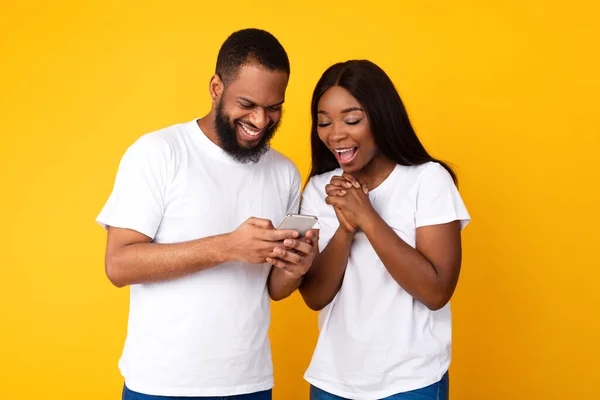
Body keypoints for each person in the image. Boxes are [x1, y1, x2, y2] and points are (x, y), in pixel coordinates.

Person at [96, 28, 318, 400]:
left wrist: (296, 267)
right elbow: (118, 265)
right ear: (216, 87)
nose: (261, 120)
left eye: (274, 107)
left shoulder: (284, 172)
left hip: (250, 383)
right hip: (161, 384)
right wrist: (228, 247)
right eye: (246, 103)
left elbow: (273, 290)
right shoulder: (158, 152)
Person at [298, 60, 471, 400]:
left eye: (352, 120)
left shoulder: (427, 180)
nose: (336, 134)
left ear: (381, 117)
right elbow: (315, 297)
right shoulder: (320, 190)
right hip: (332, 381)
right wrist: (345, 229)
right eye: (324, 122)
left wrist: (368, 218)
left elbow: (436, 292)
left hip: (411, 381)